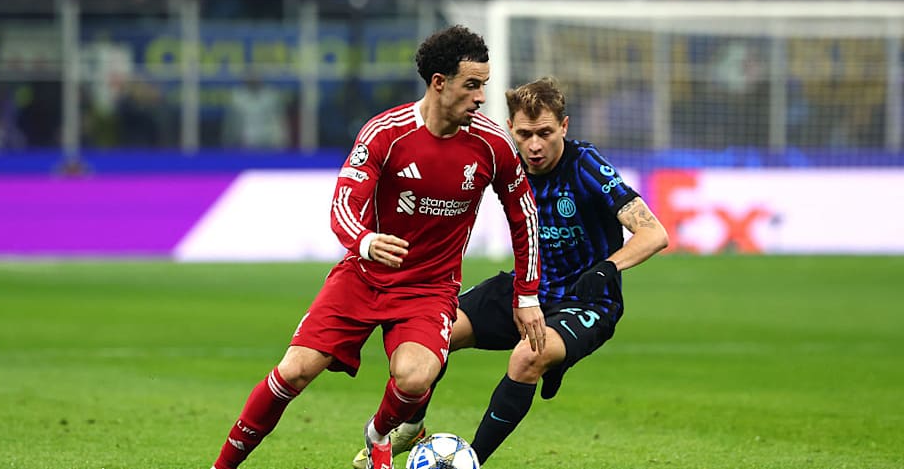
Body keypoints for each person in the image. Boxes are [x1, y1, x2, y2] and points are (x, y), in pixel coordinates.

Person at [208, 25, 546, 469]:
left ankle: (379, 435)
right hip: (362, 277)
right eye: (472, 85)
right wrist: (364, 241)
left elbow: (525, 218)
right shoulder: (387, 132)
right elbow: (343, 203)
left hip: (428, 289)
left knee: (416, 376)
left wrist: (526, 295)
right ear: (439, 83)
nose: (481, 96)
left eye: (483, 84)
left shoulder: (493, 144)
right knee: (294, 371)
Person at [353, 77, 669, 467]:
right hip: (526, 289)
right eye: (525, 134)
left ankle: (468, 461)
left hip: (585, 300)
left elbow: (654, 232)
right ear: (510, 131)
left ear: (564, 127)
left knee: (525, 359)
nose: (535, 145)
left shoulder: (586, 164)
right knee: (432, 335)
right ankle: (413, 423)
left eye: (545, 133)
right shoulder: (504, 158)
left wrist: (608, 267)